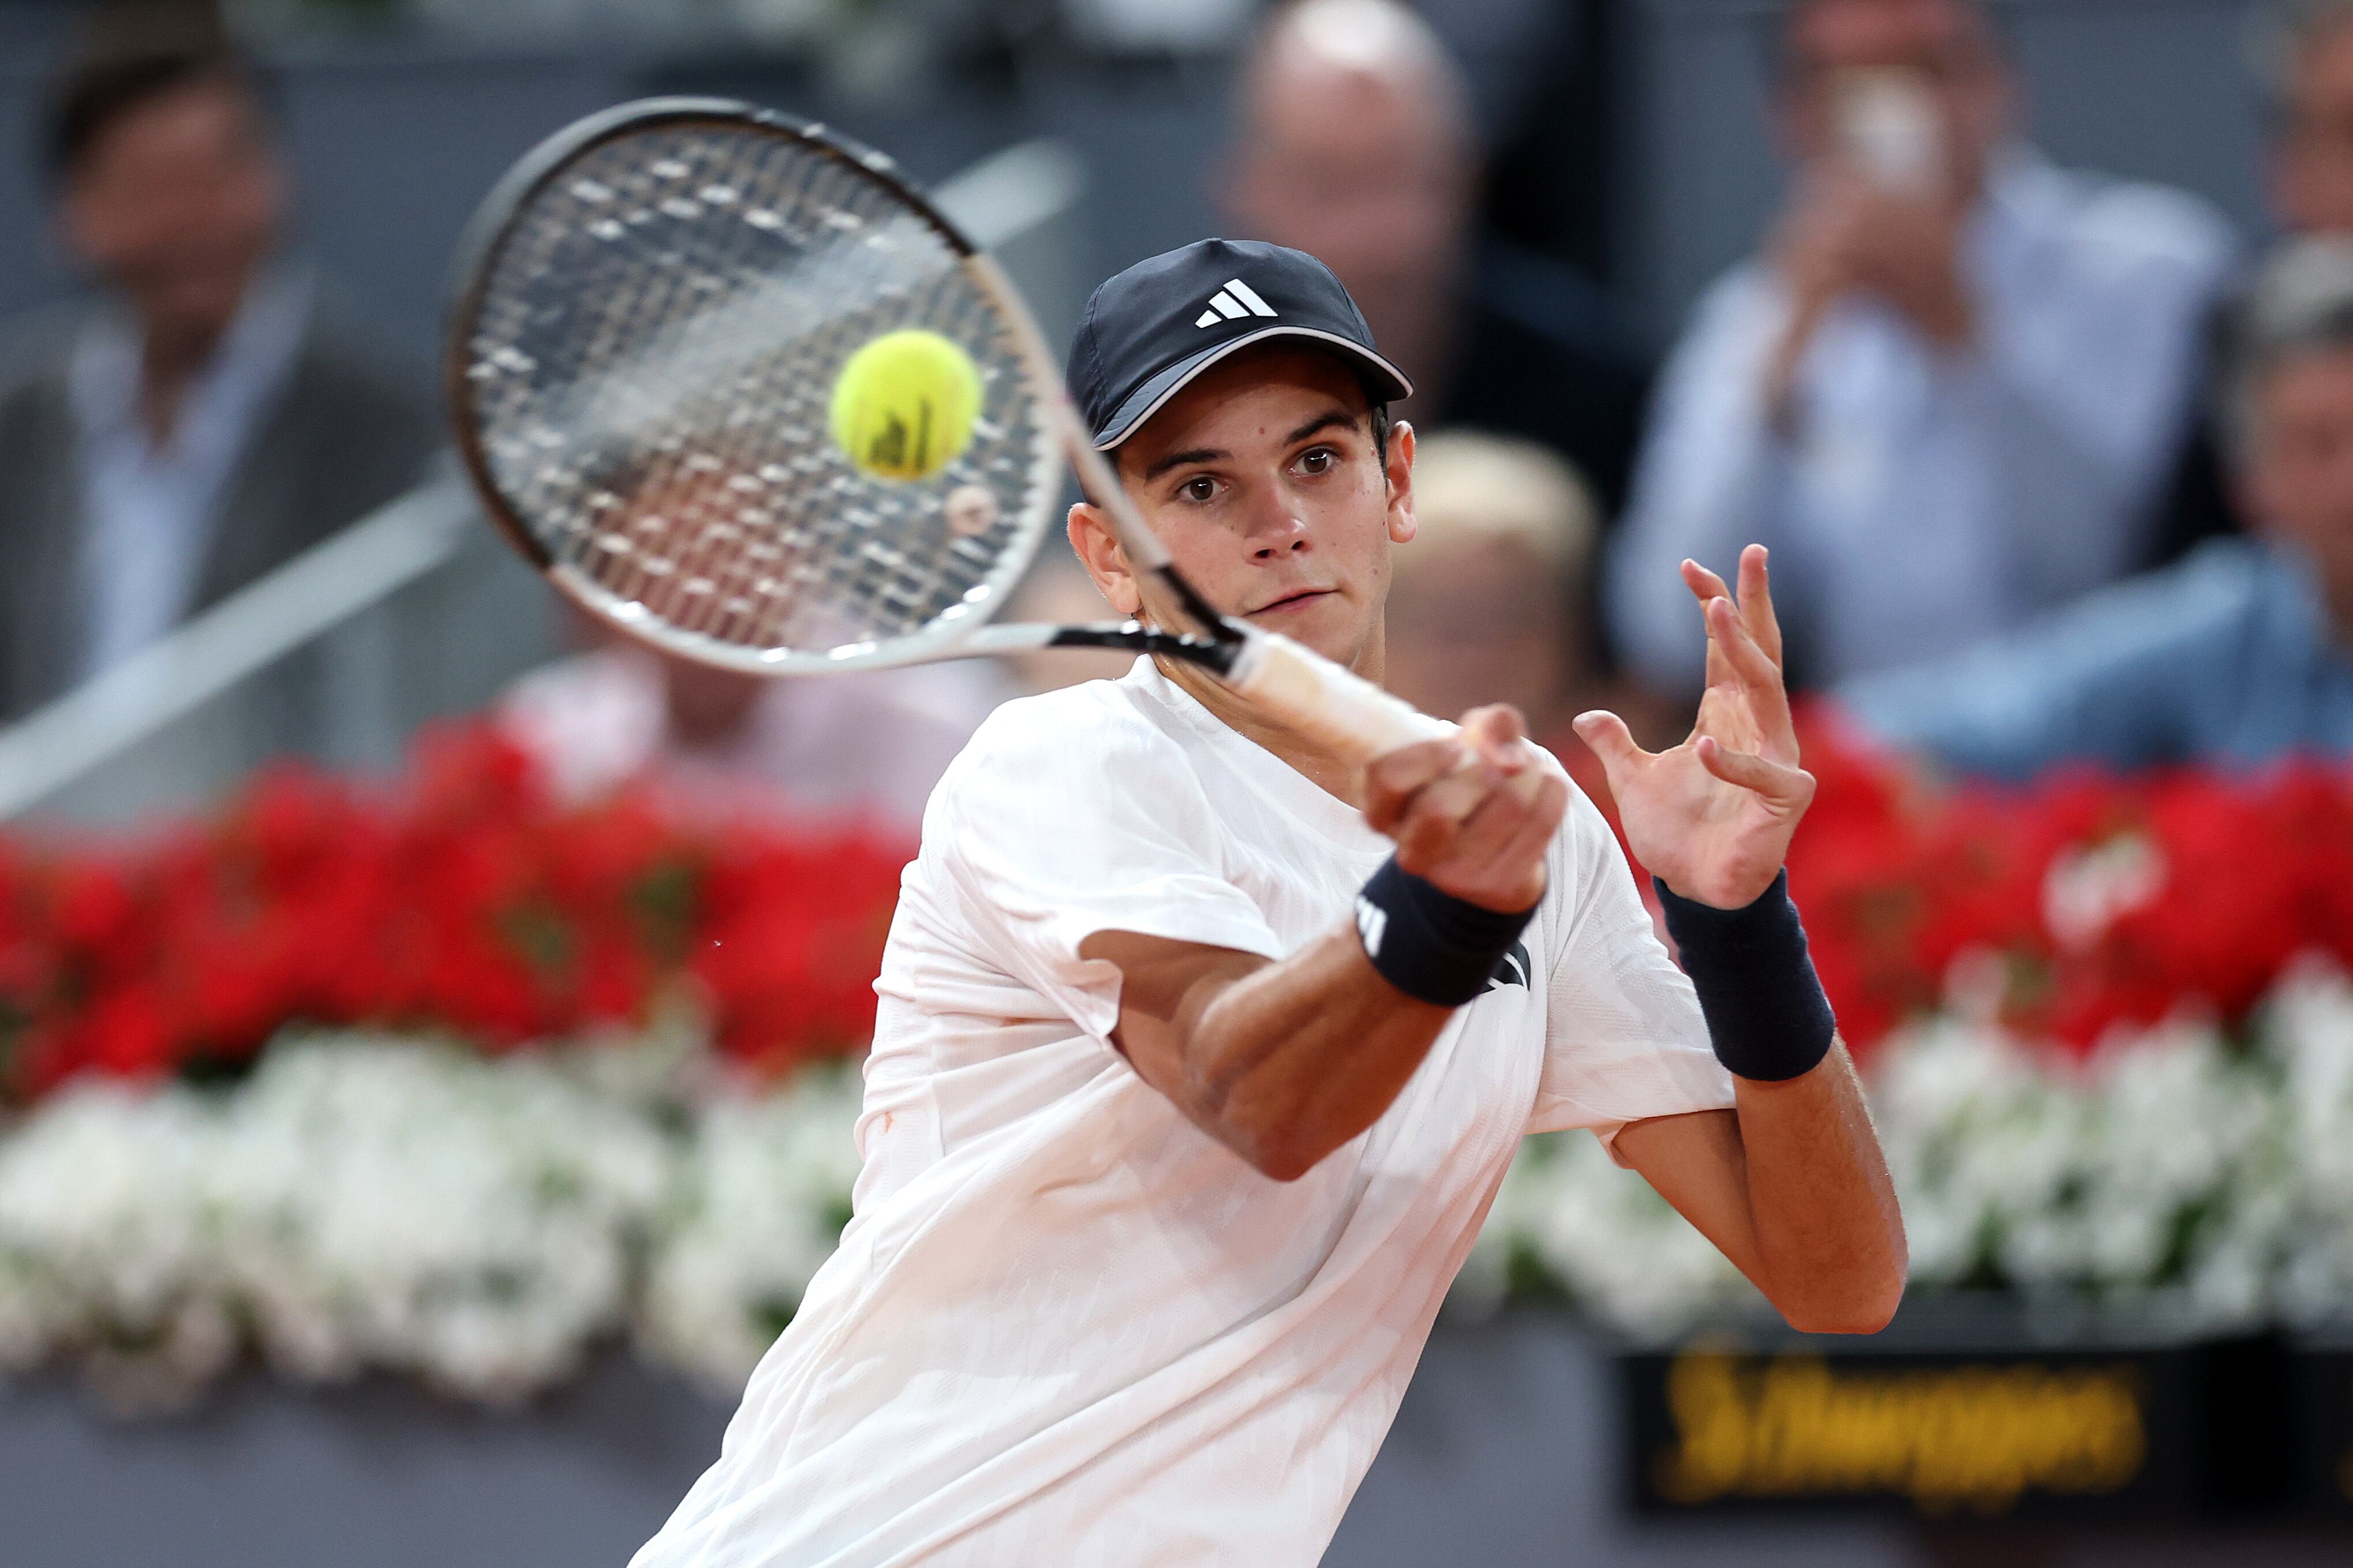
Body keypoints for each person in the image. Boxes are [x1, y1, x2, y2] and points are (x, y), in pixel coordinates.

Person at [630, 237, 1903, 1566]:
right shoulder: (1061, 765)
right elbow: (1258, 1099)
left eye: (1316, 460)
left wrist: (1734, 918)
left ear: (1395, 480)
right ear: (1107, 556)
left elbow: (1837, 1278)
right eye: (1200, 485)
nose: (1277, 521)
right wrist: (1445, 911)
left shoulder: (1538, 836)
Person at [1610, 0, 2237, 694]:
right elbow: (1668, 628)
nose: (1894, 116)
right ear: (1788, 116)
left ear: (1998, 82)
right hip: (1855, 749)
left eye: (1926, 70)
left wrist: (1958, 332)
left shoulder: (2147, 269)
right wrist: (1779, 383)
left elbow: (2122, 565)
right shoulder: (1748, 319)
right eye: (1848, 85)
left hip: (2106, 742)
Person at [0, 18, 438, 722]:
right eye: (148, 187)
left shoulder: (391, 428)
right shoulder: (19, 420)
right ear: (75, 212)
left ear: (279, 177)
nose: (192, 220)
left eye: (218, 174)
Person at [1839, 236, 2353, 780]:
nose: (2348, 480)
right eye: (2318, 445)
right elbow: (1969, 719)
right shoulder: (2228, 630)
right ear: (2248, 482)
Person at [1221, 0, 1653, 522]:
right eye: (1328, 184)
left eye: (1402, 175)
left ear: (1467, 176)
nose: (1373, 236)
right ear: (1250, 189)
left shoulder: (1598, 400)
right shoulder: (1175, 406)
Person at [1382, 429, 1674, 816]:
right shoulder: (1324, 801)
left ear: (1568, 626)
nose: (1477, 654)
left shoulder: (1638, 799)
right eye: (1442, 620)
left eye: (1507, 615)